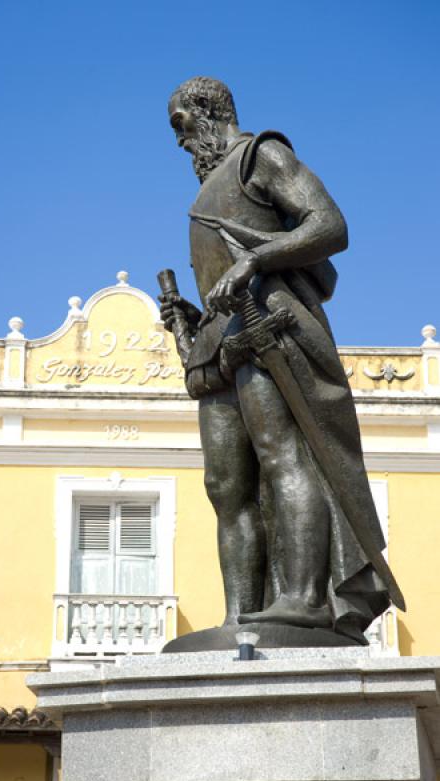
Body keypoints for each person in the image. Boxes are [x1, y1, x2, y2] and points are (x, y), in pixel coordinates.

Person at [161, 76, 403, 642]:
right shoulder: (208, 187)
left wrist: (256, 261)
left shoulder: (260, 156)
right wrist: (193, 322)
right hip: (221, 342)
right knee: (225, 485)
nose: (179, 140)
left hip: (269, 326)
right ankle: (241, 616)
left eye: (181, 123)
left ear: (209, 110)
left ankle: (306, 599)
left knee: (282, 455)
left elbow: (329, 225)